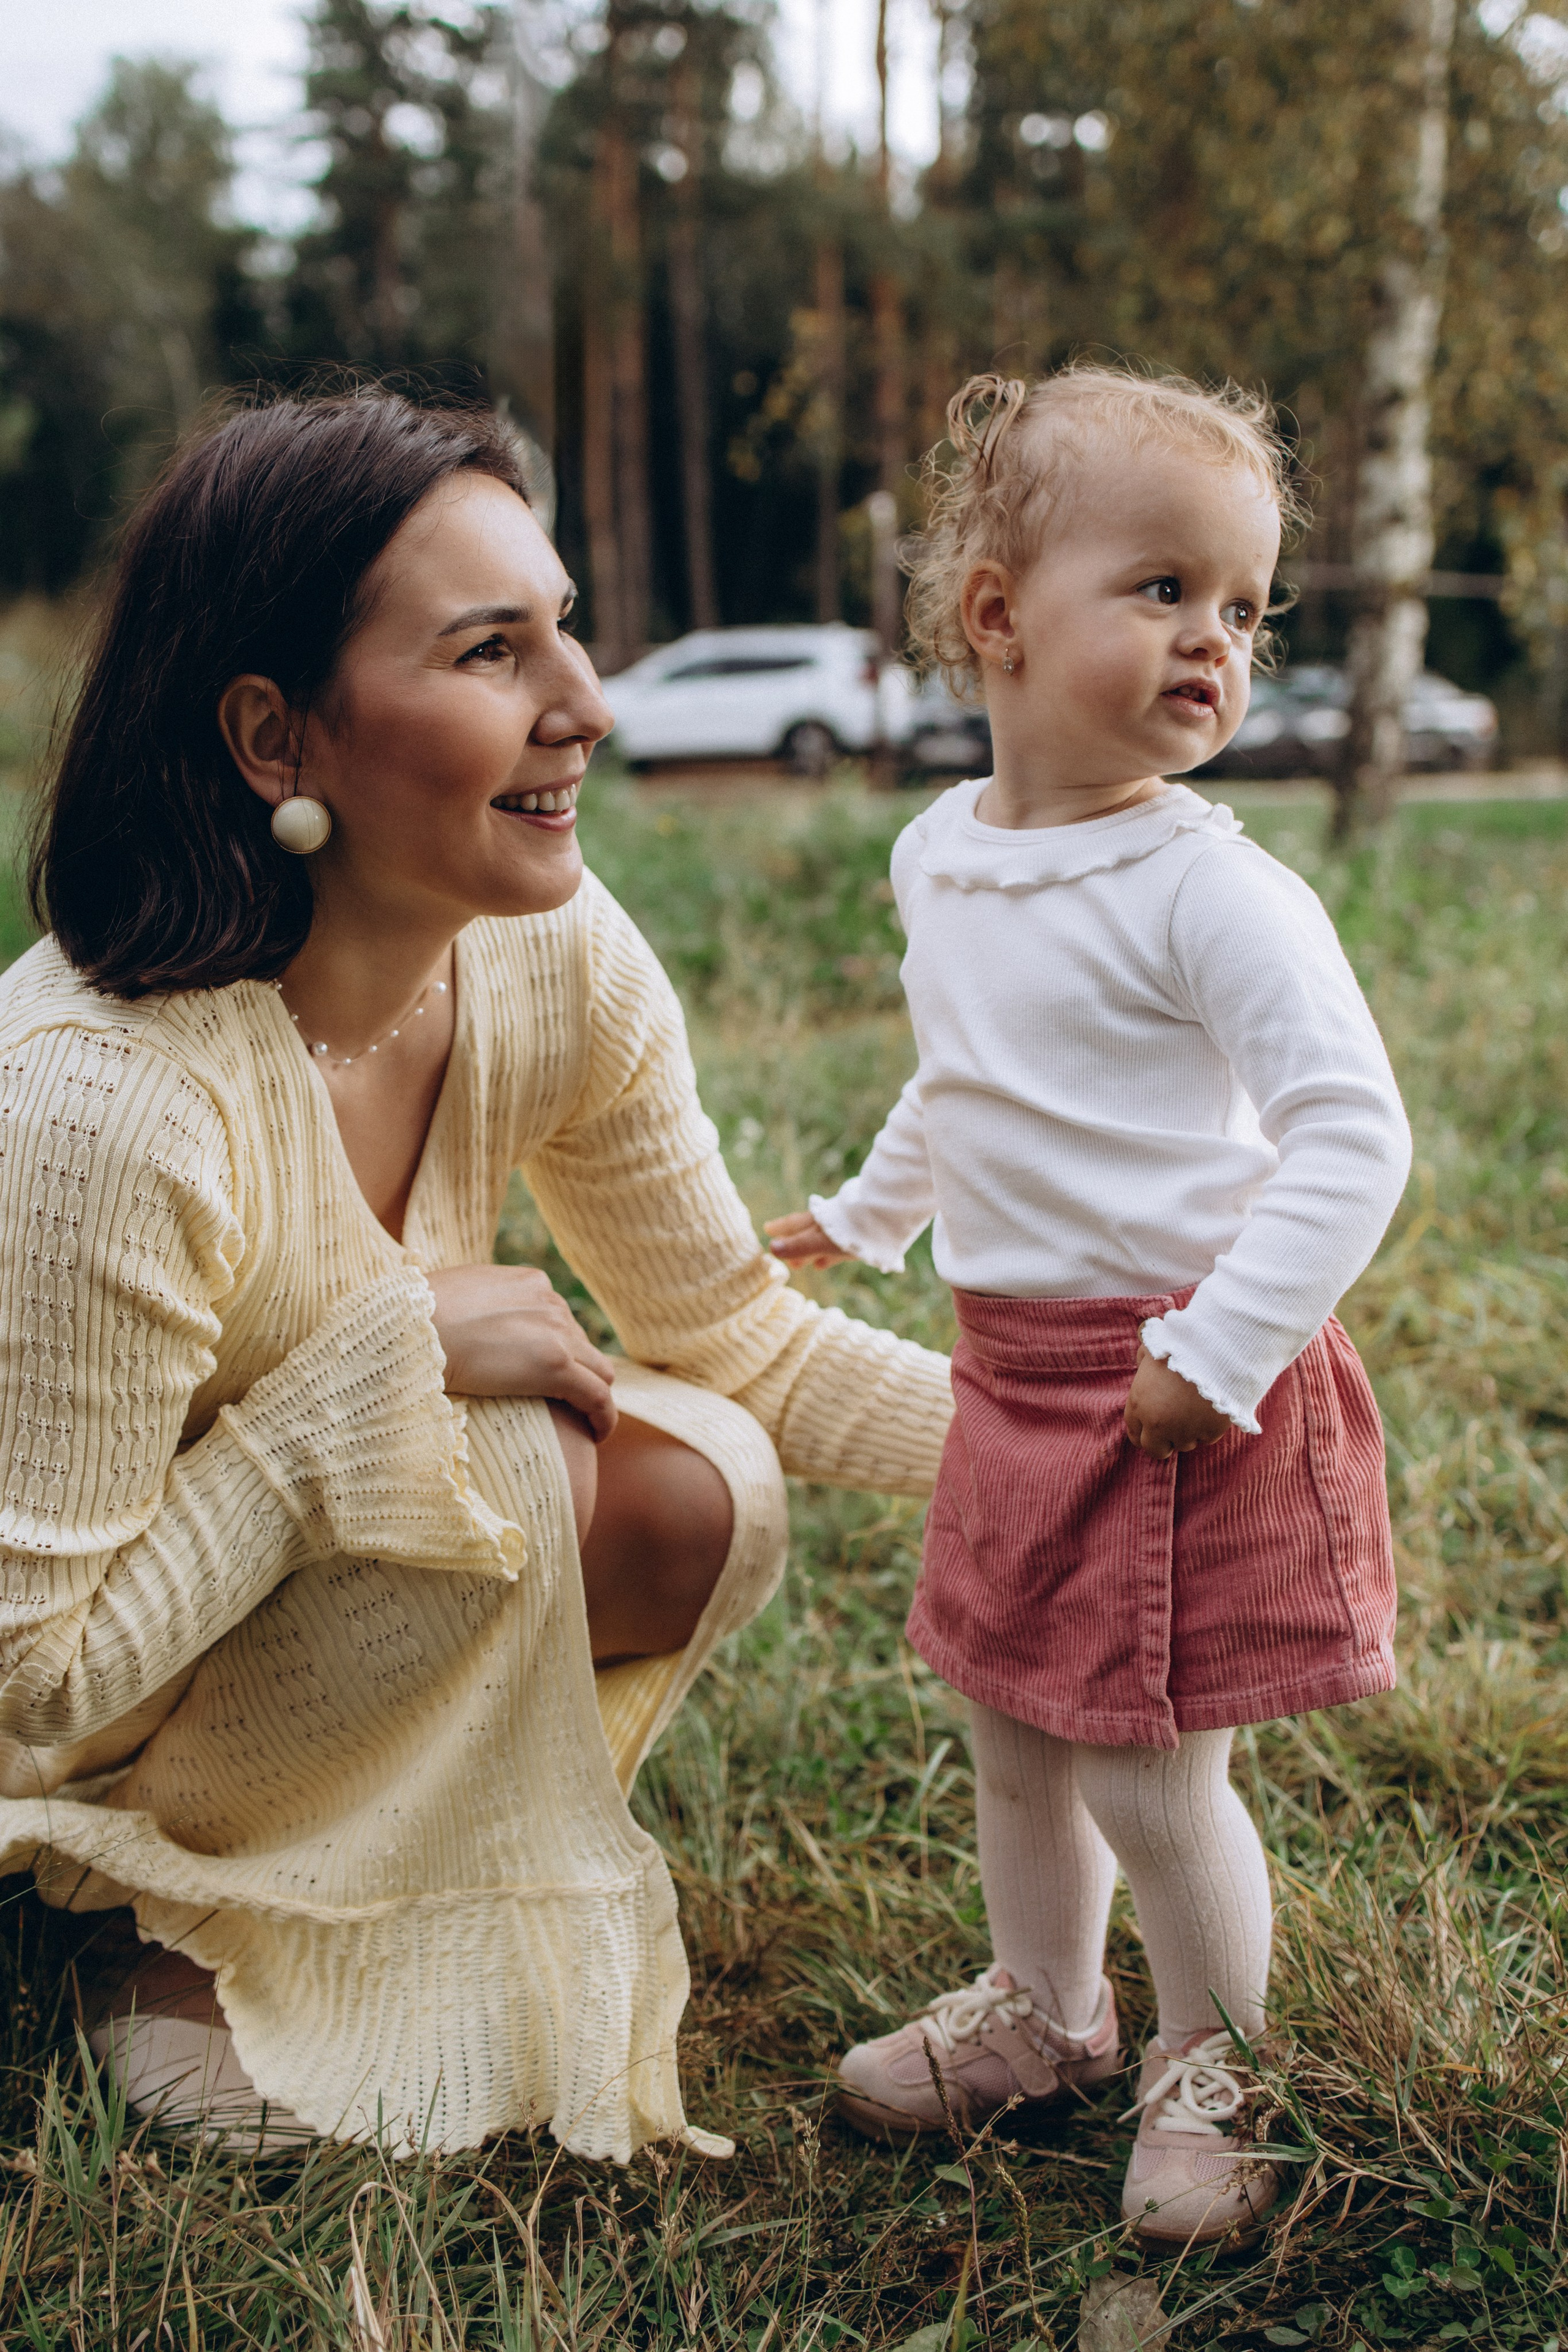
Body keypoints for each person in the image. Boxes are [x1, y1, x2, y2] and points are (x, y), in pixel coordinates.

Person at [0, 389, 954, 2162]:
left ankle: (327, 1870)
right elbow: (23, 1686)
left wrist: (1093, 1443)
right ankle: (143, 1918)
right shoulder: (103, 1103)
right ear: (277, 738)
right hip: (65, 1706)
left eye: (566, 628)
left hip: (259, 1620)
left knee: (696, 1489)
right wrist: (374, 1367)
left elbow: (731, 1339)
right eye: (491, 652)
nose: (586, 707)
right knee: (502, 1451)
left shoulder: (551, 955)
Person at [767, 365, 1412, 2248]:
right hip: (1014, 1373)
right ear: (995, 616)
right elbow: (970, 1074)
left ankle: (1221, 2063)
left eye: (1244, 608)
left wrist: (1216, 1354)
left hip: (1175, 1376)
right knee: (1015, 1726)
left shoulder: (1213, 890)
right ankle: (1049, 2014)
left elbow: (1350, 1141)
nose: (1216, 641)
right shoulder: (944, 852)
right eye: (1164, 589)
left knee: (1146, 1758)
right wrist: (869, 1209)